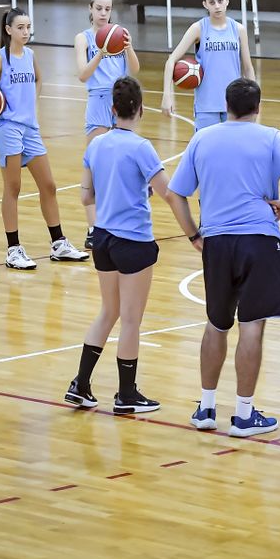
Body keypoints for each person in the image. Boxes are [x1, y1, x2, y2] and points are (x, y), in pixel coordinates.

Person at [165, 78, 280, 438]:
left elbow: (175, 194)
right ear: (258, 107)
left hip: (217, 242)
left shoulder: (203, 137)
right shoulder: (270, 137)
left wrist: (193, 234)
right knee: (252, 326)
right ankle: (245, 415)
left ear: (226, 105)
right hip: (259, 240)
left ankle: (205, 407)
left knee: (217, 323)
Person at [65, 77, 170, 415]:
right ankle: (126, 394)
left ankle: (80, 385)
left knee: (107, 312)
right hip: (134, 241)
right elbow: (167, 191)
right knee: (130, 321)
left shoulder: (95, 145)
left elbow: (85, 195)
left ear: (112, 110)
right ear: (140, 110)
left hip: (103, 239)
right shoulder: (142, 147)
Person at [0, 7, 88, 270]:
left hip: (29, 128)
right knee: (13, 188)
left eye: (28, 27)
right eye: (20, 27)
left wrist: (32, 104)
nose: (26, 32)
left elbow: (39, 80)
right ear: (8, 30)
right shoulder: (0, 58)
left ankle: (58, 244)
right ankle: (13, 250)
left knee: (49, 185)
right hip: (6, 128)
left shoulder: (31, 55)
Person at [74, 0, 141, 247]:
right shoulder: (83, 38)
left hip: (121, 98)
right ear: (90, 9)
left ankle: (116, 221)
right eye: (98, 8)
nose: (103, 13)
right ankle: (93, 228)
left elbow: (134, 70)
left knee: (121, 165)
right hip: (98, 101)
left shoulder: (119, 34)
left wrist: (129, 47)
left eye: (107, 9)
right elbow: (82, 75)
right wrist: (101, 52)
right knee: (95, 164)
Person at [161, 0, 255, 129]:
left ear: (227, 1)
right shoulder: (198, 28)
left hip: (234, 104)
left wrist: (254, 101)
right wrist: (167, 95)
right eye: (212, 2)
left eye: (220, 1)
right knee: (205, 151)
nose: (217, 6)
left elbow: (248, 69)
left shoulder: (238, 30)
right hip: (206, 105)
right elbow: (171, 61)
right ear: (205, 4)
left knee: (232, 151)